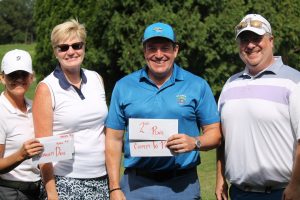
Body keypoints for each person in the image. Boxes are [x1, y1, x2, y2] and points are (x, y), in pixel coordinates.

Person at [105, 22, 222, 200]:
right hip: (136, 186)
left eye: (165, 48)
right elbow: (113, 139)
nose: (159, 55)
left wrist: (194, 142)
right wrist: (114, 188)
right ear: (145, 51)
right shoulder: (124, 86)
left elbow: (215, 133)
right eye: (152, 48)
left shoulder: (197, 85)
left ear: (175, 50)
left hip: (183, 186)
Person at [216, 14, 300, 200]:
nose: (250, 45)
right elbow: (222, 139)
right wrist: (220, 177)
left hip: (282, 193)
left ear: (271, 41)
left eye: (256, 38)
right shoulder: (230, 83)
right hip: (238, 193)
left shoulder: (294, 81)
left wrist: (296, 186)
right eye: (244, 40)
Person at [32, 19, 109, 200]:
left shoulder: (96, 79)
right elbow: (42, 149)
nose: (71, 51)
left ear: (84, 47)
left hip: (101, 180)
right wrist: (52, 194)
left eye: (76, 45)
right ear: (55, 52)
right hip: (65, 182)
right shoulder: (46, 88)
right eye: (63, 47)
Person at [0, 49, 44, 200]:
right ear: (2, 78)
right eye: (13, 74)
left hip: (37, 189)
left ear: (31, 77)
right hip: (10, 191)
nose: (19, 79)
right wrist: (21, 155)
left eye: (23, 74)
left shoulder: (36, 107)